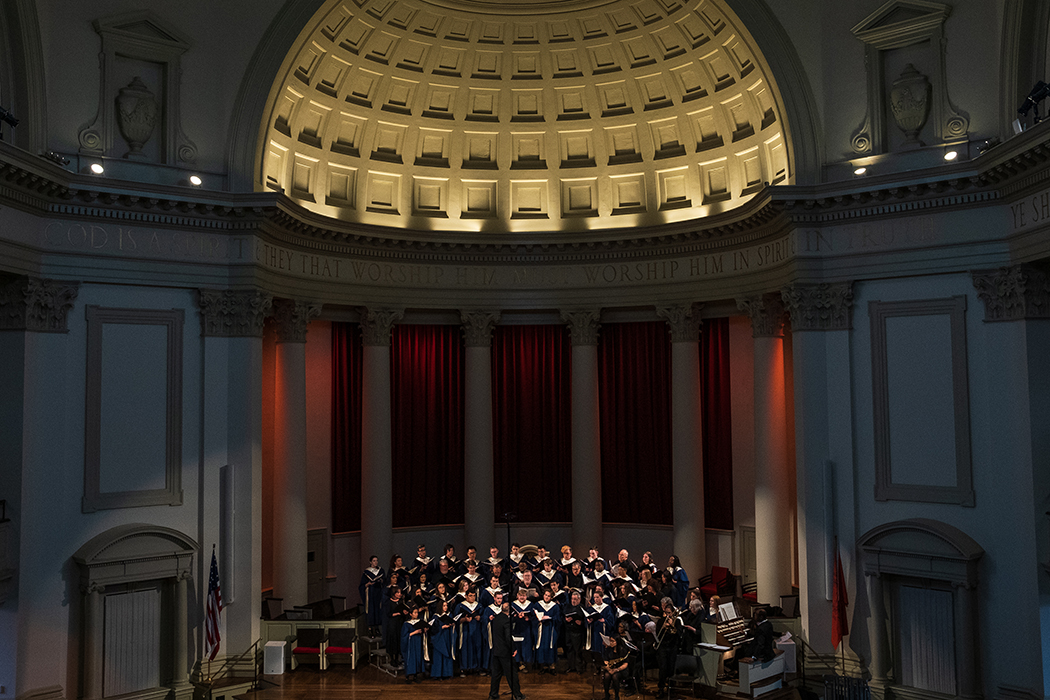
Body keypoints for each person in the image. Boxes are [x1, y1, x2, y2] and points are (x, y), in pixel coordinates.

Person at [489, 600, 526, 700]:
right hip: (505, 652)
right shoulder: (506, 621)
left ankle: (493, 695)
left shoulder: (496, 619)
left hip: (496, 650)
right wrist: (513, 649)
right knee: (512, 674)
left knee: (496, 675)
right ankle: (518, 695)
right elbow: (508, 637)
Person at [654, 598, 681, 699]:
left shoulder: (677, 621)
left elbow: (679, 634)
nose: (668, 615)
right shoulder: (661, 621)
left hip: (672, 647)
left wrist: (672, 625)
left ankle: (671, 688)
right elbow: (658, 635)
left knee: (671, 669)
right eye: (666, 613)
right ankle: (661, 688)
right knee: (663, 668)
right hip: (663, 648)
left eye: (670, 613)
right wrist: (664, 627)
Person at [454, 588, 484, 675]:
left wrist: (479, 618)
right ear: (466, 596)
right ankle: (464, 668)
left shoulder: (479, 606)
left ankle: (476, 668)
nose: (472, 598)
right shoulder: (460, 606)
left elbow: (483, 618)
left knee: (477, 648)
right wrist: (464, 619)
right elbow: (455, 619)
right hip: (465, 630)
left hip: (477, 630)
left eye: (474, 596)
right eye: (470, 596)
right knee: (465, 648)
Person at [533, 588, 561, 674]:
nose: (547, 597)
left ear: (551, 597)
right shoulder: (538, 605)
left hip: (551, 629)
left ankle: (552, 667)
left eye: (549, 596)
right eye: (545, 595)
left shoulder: (555, 606)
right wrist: (538, 618)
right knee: (542, 647)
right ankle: (543, 666)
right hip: (541, 629)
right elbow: (533, 616)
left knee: (551, 647)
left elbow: (558, 618)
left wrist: (549, 618)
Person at [359, 555, 385, 637]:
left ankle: (377, 629)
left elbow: (385, 581)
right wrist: (368, 584)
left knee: (377, 609)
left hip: (378, 592)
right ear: (370, 562)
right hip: (370, 593)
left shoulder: (380, 571)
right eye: (374, 561)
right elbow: (362, 585)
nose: (376, 562)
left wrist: (381, 581)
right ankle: (370, 630)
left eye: (376, 560)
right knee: (371, 610)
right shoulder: (366, 572)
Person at [428, 599, 455, 680]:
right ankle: (437, 674)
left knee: (448, 653)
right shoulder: (436, 616)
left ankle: (447, 673)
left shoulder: (449, 615)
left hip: (447, 637)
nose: (446, 607)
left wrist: (452, 624)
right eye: (444, 606)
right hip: (439, 638)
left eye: (446, 605)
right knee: (438, 656)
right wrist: (442, 627)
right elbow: (432, 629)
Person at [562, 589, 587, 673]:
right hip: (568, 631)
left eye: (575, 599)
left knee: (577, 651)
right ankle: (571, 666)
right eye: (572, 599)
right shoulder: (567, 606)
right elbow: (563, 617)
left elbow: (586, 620)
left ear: (579, 599)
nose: (573, 601)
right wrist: (566, 619)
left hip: (578, 632)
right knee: (569, 649)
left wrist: (581, 622)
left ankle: (579, 668)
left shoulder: (582, 608)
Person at [400, 605, 427, 682]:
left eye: (417, 612)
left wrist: (424, 630)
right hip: (410, 644)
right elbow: (404, 636)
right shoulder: (406, 624)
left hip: (418, 642)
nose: (416, 614)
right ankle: (408, 676)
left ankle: (416, 675)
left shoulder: (420, 622)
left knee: (418, 657)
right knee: (410, 658)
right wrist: (415, 632)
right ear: (410, 614)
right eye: (415, 613)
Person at [601, 634, 631, 700]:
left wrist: (617, 669)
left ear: (617, 642)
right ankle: (606, 694)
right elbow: (605, 661)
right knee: (606, 675)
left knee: (615, 676)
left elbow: (625, 664)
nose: (610, 642)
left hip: (621, 670)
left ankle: (617, 696)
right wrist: (608, 669)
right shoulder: (608, 649)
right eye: (610, 641)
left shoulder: (623, 650)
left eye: (612, 641)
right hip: (611, 668)